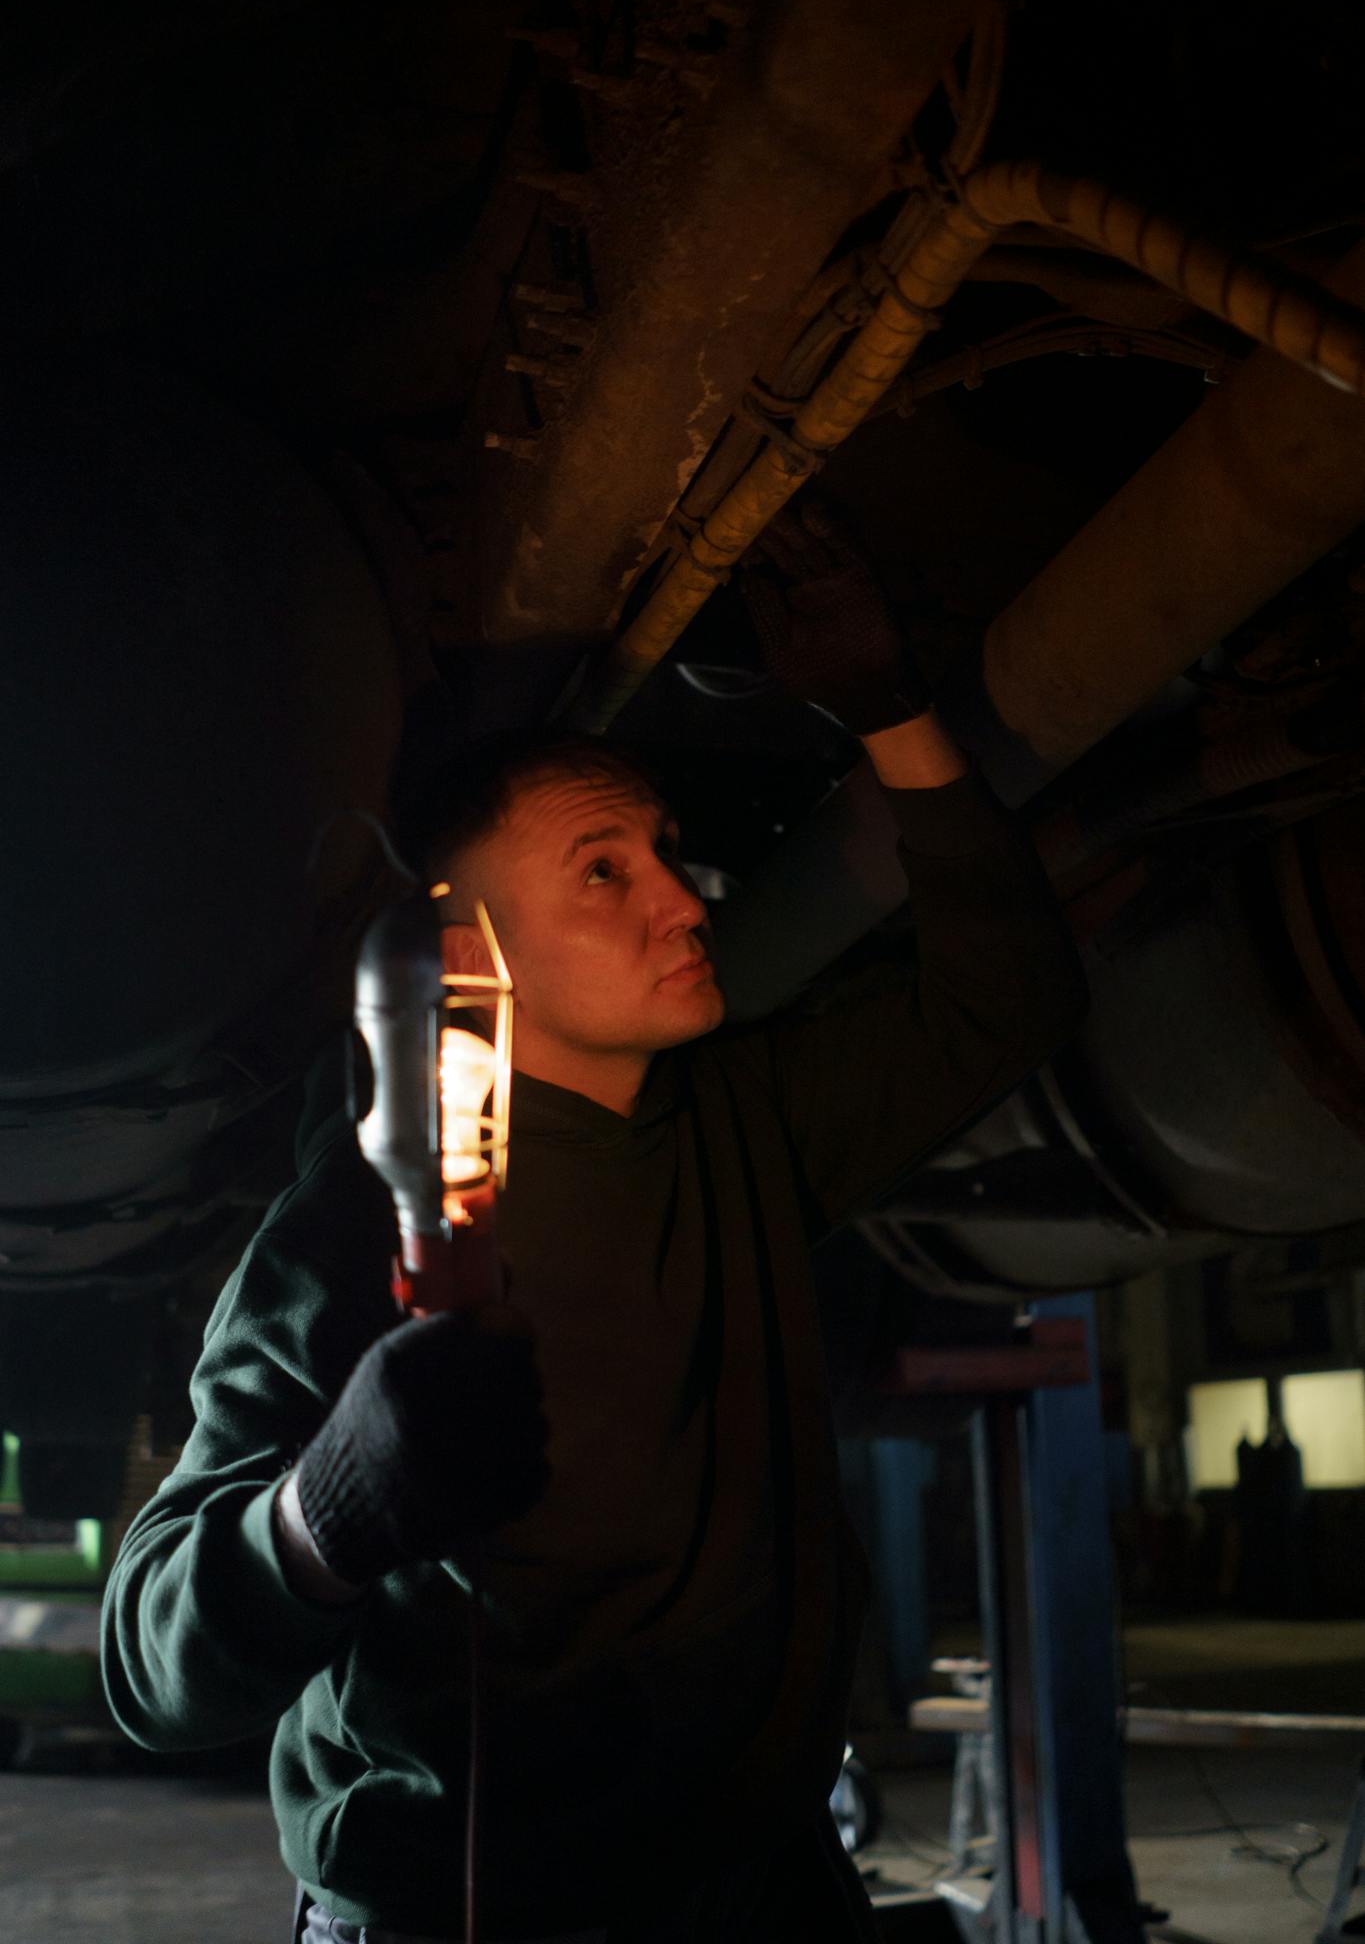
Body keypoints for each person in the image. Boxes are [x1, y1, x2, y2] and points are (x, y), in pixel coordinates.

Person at [101, 515, 1087, 1942]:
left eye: (666, 853)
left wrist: (887, 706)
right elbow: (151, 1670)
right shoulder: (353, 1221)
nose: (684, 899)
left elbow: (1011, 996)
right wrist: (328, 1509)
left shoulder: (744, 1119)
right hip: (458, 1907)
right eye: (603, 870)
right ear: (463, 946)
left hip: (757, 1888)